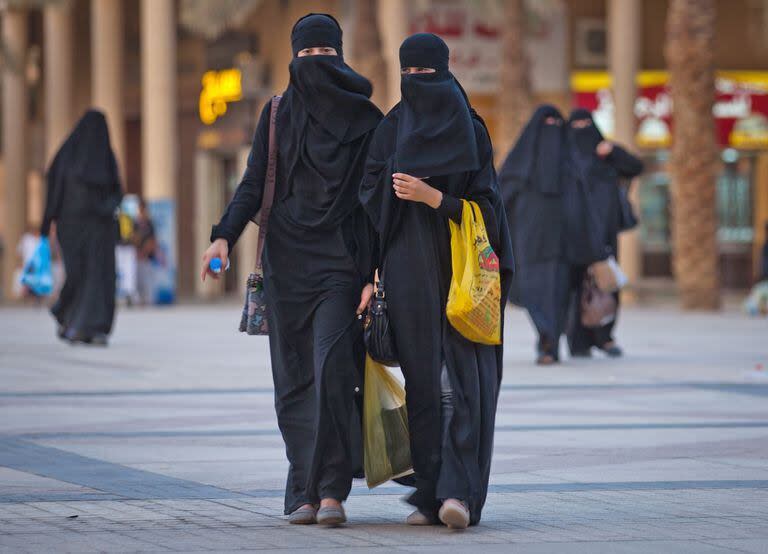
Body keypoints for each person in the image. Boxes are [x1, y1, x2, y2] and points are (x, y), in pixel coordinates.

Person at [201, 14, 381, 526]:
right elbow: (254, 182)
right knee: (294, 382)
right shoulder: (277, 113)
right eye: (308, 56)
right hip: (286, 266)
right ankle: (303, 489)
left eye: (327, 56)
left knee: (331, 372)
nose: (317, 66)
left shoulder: (368, 122)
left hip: (342, 267)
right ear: (292, 58)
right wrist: (222, 236)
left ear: (342, 57)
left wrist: (373, 273)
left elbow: (375, 206)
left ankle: (331, 491)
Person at [360, 33, 514, 529]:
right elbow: (369, 205)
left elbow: (489, 210)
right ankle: (430, 494)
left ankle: (460, 494)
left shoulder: (471, 130)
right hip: (406, 273)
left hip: (462, 273)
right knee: (425, 385)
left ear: (446, 72)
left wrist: (434, 199)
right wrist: (370, 274)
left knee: (464, 383)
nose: (419, 83)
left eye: (428, 73)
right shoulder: (391, 129)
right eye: (411, 74)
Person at [564, 109, 643, 358]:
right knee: (577, 288)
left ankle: (605, 337)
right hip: (575, 233)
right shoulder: (565, 157)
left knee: (607, 283)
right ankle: (578, 340)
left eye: (587, 123)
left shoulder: (606, 156)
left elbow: (636, 167)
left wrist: (613, 152)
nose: (582, 128)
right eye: (576, 124)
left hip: (606, 233)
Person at [41, 110, 123, 345]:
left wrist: (104, 208)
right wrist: (46, 227)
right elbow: (55, 190)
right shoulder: (70, 157)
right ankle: (69, 318)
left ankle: (91, 327)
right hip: (75, 228)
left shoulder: (101, 157)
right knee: (78, 275)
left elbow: (117, 191)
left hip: (98, 229)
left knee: (97, 278)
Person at [499, 105, 569, 364]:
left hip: (563, 241)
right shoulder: (521, 163)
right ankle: (547, 337)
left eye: (556, 123)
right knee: (531, 290)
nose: (552, 129)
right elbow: (501, 196)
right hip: (528, 239)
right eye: (546, 123)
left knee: (559, 292)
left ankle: (550, 340)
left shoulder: (569, 161)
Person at [134, 198, 157, 305]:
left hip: (147, 256)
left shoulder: (149, 223)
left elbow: (152, 240)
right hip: (137, 256)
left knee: (147, 279)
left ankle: (148, 300)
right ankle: (139, 299)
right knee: (138, 279)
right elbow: (133, 238)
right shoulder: (135, 223)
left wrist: (147, 251)